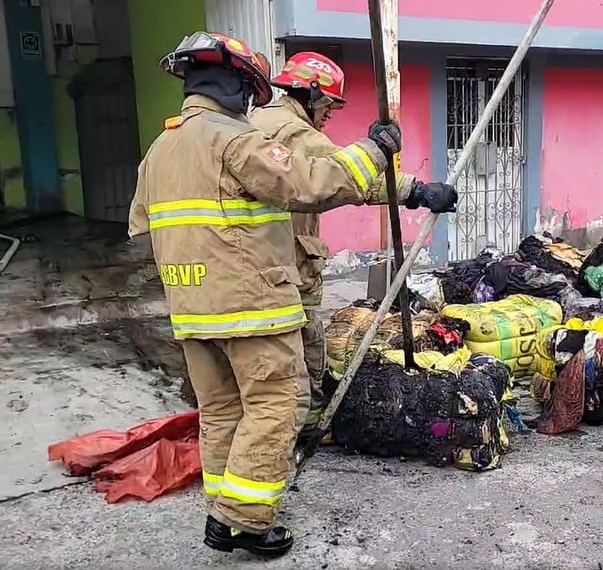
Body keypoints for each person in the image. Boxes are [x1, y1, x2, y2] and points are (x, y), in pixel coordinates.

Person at [127, 31, 457, 558]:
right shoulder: (237, 139)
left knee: (222, 412)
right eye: (328, 104)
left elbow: (144, 224)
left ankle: (224, 513)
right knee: (275, 403)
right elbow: (315, 180)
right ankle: (250, 523)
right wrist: (377, 148)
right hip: (252, 302)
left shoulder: (161, 148)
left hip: (191, 308)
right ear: (239, 84)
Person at [250, 51, 446, 436]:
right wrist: (418, 191)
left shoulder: (257, 122)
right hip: (287, 265)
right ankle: (304, 431)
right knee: (303, 349)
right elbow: (347, 178)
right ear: (309, 93)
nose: (330, 114)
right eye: (329, 105)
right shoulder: (293, 132)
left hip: (257, 265)